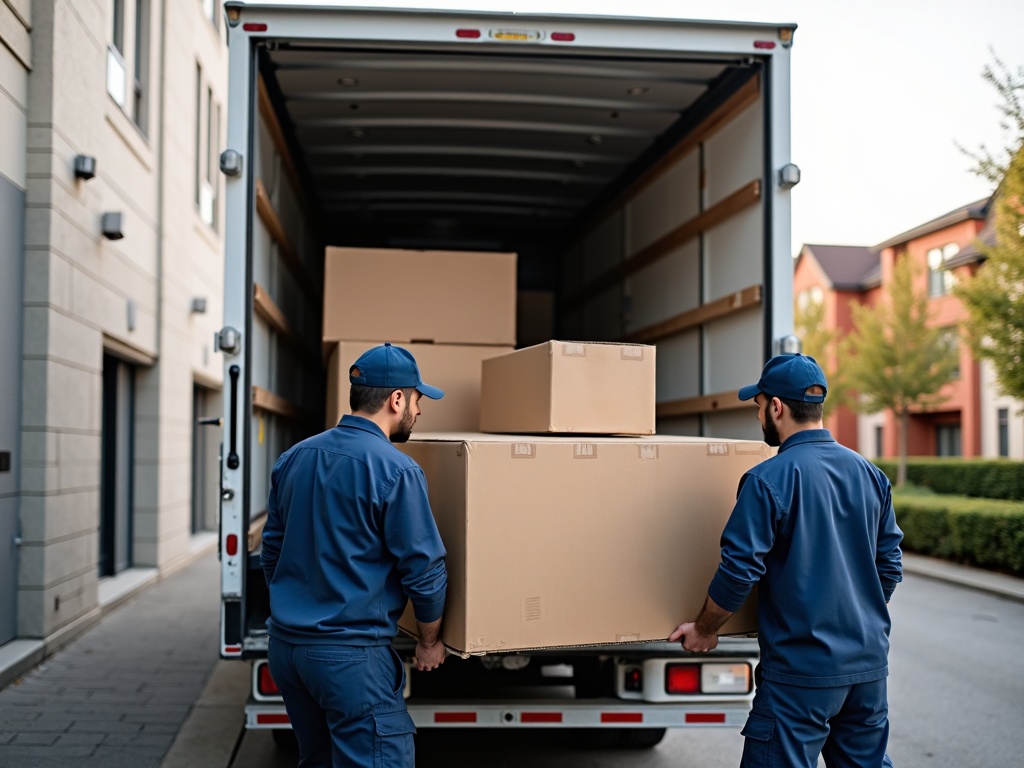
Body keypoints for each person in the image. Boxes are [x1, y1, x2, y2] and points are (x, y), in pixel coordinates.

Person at [670, 353, 903, 768]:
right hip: (868, 670)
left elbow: (740, 569)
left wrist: (705, 629)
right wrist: (853, 617)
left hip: (800, 675)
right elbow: (889, 566)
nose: (759, 414)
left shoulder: (768, 479)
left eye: (759, 405)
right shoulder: (870, 474)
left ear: (776, 407)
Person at [261, 342, 449, 768]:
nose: (418, 412)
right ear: (396, 399)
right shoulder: (396, 470)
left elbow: (272, 551)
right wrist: (429, 642)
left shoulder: (294, 457)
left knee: (320, 759)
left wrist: (300, 603)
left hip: (288, 652)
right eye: (417, 400)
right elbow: (425, 571)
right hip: (350, 660)